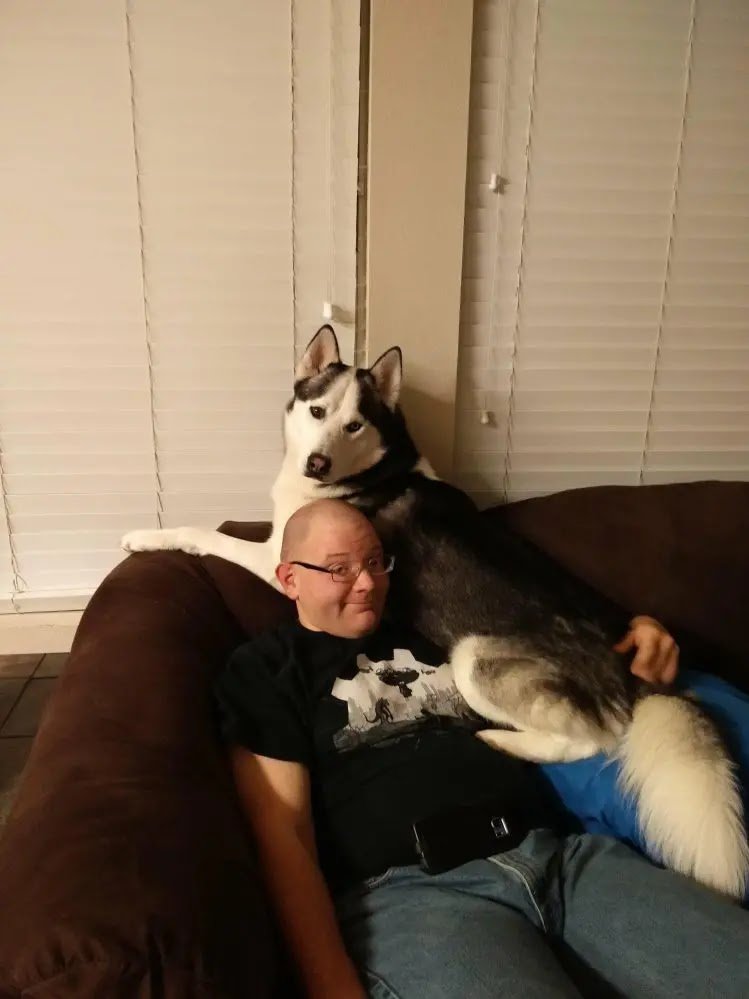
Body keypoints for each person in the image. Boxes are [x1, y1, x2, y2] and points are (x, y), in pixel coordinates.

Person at [214, 498, 749, 999]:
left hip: (561, 858)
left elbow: (542, 622)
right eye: (339, 569)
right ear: (290, 579)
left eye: (376, 562)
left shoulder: (431, 629)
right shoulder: (267, 668)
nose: (368, 583)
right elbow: (283, 832)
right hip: (416, 896)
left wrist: (636, 628)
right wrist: (332, 987)